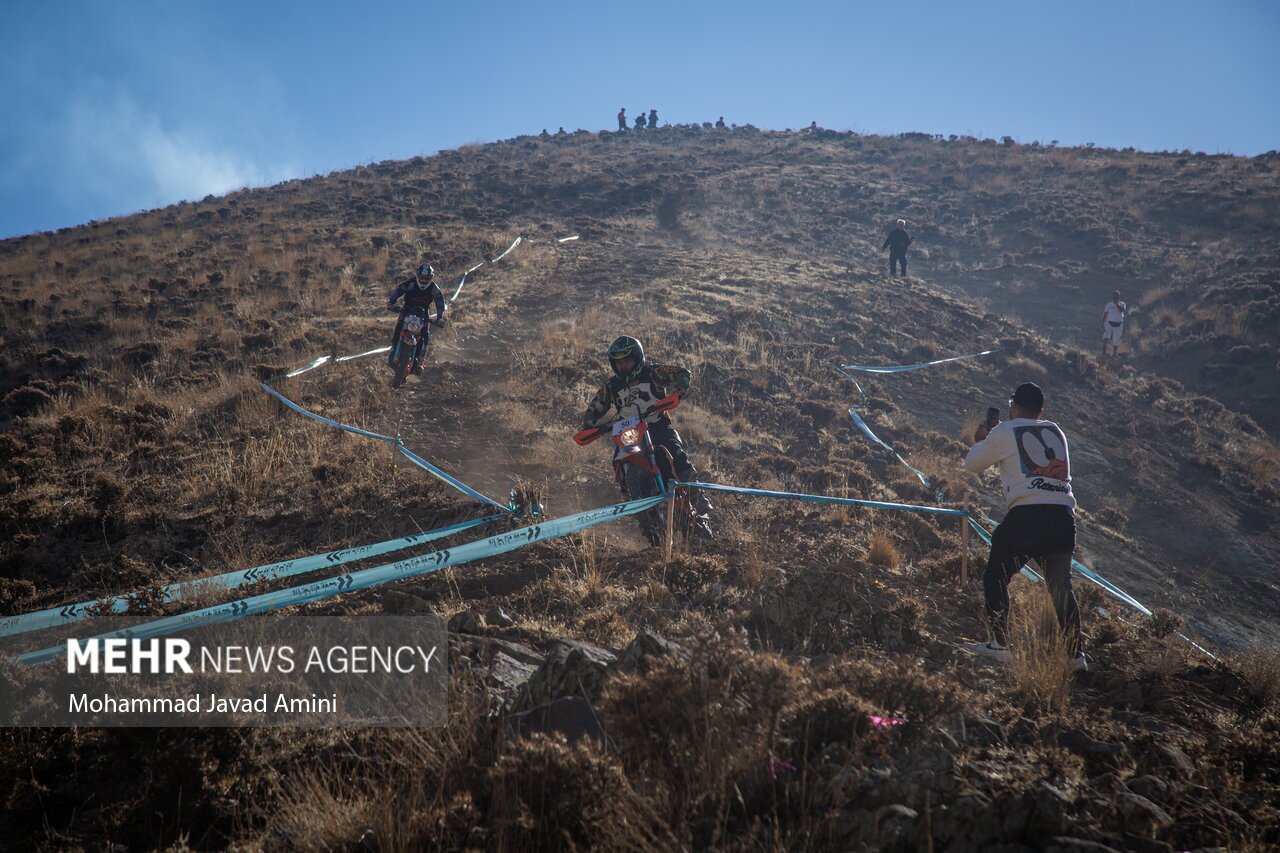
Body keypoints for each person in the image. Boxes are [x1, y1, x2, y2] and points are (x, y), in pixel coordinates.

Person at [962, 382, 1086, 671]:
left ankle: (999, 644)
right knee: (1061, 587)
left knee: (996, 576)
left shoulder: (1004, 431)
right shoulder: (1056, 431)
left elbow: (972, 464)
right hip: (1063, 515)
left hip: (1027, 514)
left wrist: (982, 439)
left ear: (1013, 407)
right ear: (1041, 411)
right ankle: (1076, 656)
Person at [582, 336, 712, 519]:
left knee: (675, 451)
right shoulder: (611, 385)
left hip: (657, 424)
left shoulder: (653, 372)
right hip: (629, 432)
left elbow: (683, 373)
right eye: (619, 362)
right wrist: (588, 425)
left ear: (637, 358)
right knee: (617, 462)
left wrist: (677, 392)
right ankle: (633, 499)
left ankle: (697, 496)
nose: (623, 366)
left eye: (627, 361)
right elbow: (595, 406)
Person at [386, 264, 446, 375]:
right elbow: (398, 290)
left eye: (426, 278)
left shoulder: (433, 288)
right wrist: (391, 302)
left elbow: (440, 301)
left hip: (423, 314)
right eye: (421, 277)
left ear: (431, 278)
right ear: (417, 275)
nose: (423, 281)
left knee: (425, 336)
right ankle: (394, 351)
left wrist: (440, 317)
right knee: (398, 329)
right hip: (407, 310)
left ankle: (420, 361)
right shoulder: (411, 283)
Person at [1102, 290, 1127, 358]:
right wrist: (1102, 323)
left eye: (1117, 297)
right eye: (1114, 297)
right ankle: (1104, 352)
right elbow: (1105, 314)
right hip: (1109, 323)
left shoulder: (1122, 304)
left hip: (1119, 324)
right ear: (1112, 297)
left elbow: (1122, 310)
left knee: (1117, 339)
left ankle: (1114, 354)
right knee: (1106, 336)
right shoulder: (1108, 305)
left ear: (1119, 297)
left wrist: (1116, 304)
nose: (1115, 298)